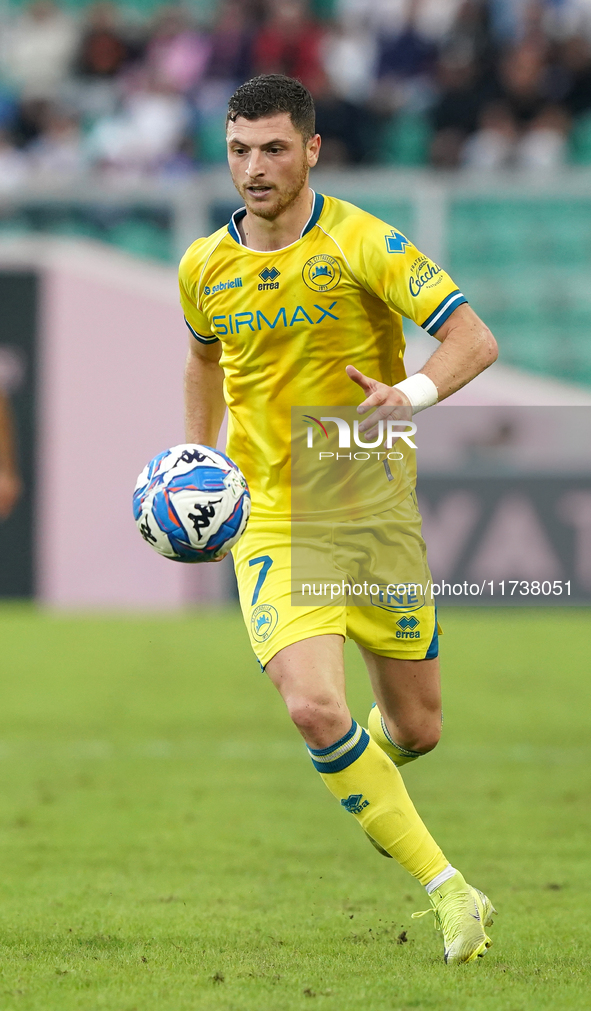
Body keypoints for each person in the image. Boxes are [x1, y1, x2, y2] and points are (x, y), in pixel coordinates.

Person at [180, 73, 498, 964]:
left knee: (417, 729)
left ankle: (369, 779)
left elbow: (473, 336)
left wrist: (413, 392)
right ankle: (450, 889)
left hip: (369, 513)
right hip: (274, 517)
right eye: (240, 149)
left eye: (274, 148)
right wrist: (200, 458)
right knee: (316, 707)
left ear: (312, 149)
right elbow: (204, 361)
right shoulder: (203, 264)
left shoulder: (363, 242)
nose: (254, 167)